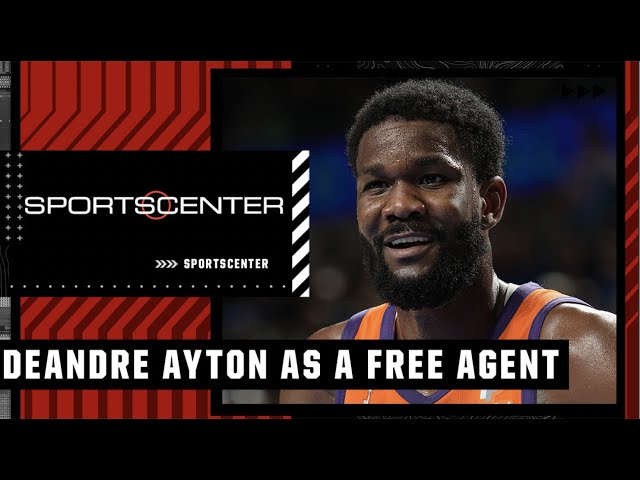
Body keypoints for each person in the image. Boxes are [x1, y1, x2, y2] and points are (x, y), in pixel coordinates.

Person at [280, 79, 616, 405]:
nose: (399, 205)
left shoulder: (590, 353)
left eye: (431, 178)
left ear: (490, 202)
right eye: (377, 185)